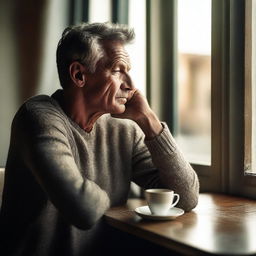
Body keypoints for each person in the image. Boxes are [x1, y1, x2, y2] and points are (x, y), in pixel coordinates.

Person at [0, 22, 199, 256]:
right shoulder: (38, 117)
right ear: (79, 75)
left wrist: (149, 121)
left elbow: (185, 197)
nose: (132, 85)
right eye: (117, 70)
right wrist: (120, 198)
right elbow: (82, 209)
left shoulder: (124, 130)